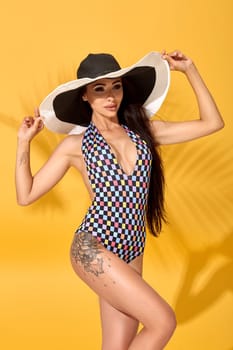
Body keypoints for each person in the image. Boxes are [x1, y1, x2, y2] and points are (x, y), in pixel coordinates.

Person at [15, 50, 224, 350]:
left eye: (116, 86)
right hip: (93, 247)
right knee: (163, 321)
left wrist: (190, 70)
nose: (110, 96)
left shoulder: (144, 132)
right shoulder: (75, 146)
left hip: (132, 248)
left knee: (116, 346)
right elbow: (26, 195)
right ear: (85, 96)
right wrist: (24, 143)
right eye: (99, 89)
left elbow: (212, 123)